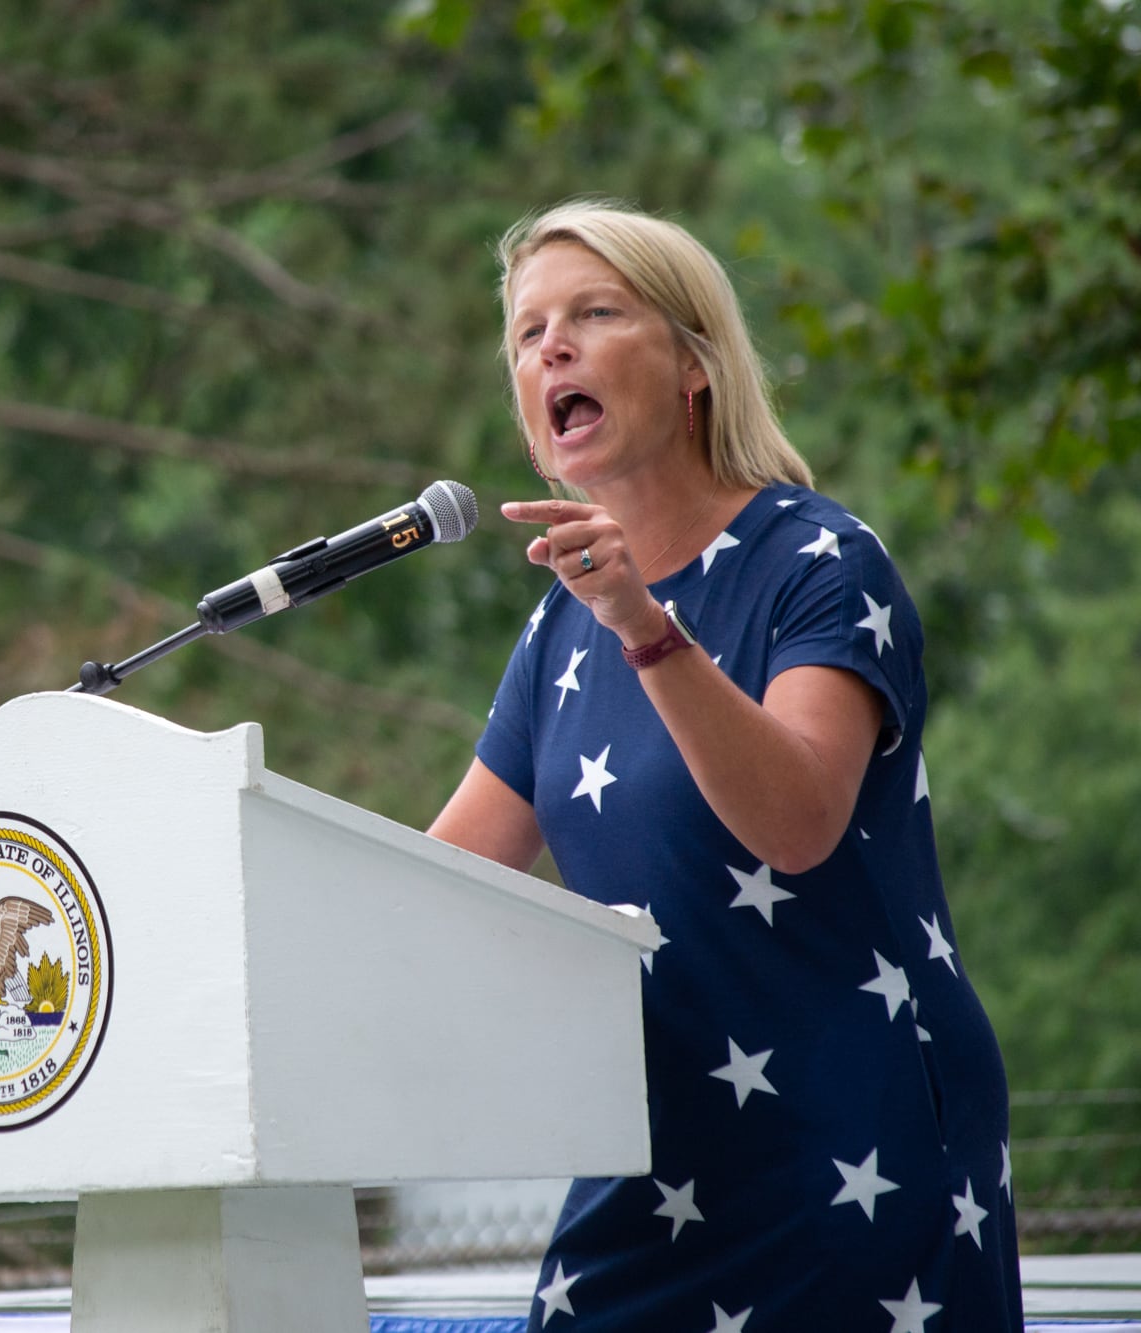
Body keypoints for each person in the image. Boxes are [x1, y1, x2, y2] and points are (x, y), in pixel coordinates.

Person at [429, 199, 1023, 1330]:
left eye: (593, 314)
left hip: (850, 1147)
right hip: (654, 1150)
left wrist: (642, 625)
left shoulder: (819, 560)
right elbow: (443, 884)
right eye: (525, 331)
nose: (548, 344)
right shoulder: (556, 627)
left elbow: (796, 819)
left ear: (694, 364)